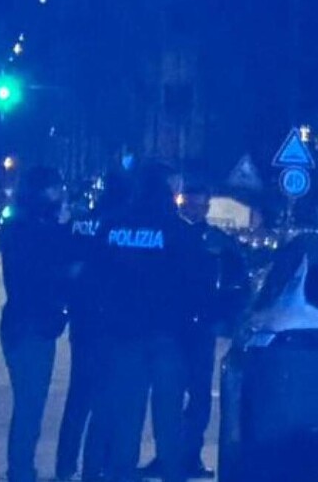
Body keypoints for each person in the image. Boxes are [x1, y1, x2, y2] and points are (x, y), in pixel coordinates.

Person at [92, 164, 212, 482]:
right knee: (169, 420)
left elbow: (95, 278)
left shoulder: (112, 227)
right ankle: (172, 474)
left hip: (123, 336)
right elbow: (196, 286)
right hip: (167, 337)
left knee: (126, 418)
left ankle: (121, 475)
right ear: (167, 190)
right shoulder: (178, 231)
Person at [139, 182, 246, 479]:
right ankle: (167, 456)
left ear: (207, 207)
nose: (193, 211)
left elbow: (237, 283)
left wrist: (223, 317)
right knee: (168, 397)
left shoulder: (218, 242)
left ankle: (190, 456)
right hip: (171, 329)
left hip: (201, 329)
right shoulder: (168, 236)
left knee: (199, 397)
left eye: (198, 206)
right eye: (188, 206)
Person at [55, 170, 132, 482]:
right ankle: (94, 468)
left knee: (78, 397)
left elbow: (67, 264)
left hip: (82, 320)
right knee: (106, 399)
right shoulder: (120, 227)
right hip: (111, 322)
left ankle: (64, 467)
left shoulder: (82, 222)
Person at [0, 166, 74, 482]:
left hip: (21, 322)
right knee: (30, 404)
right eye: (55, 188)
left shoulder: (19, 225)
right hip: (32, 324)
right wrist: (62, 229)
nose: (60, 194)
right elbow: (49, 269)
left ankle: (21, 467)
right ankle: (20, 470)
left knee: (28, 403)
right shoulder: (35, 229)